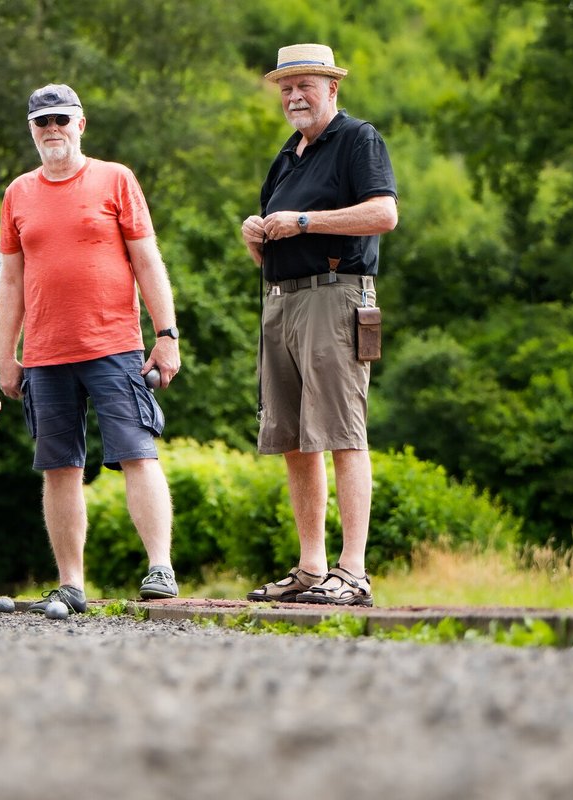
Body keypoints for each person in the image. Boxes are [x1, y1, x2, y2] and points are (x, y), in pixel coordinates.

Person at [0, 84, 181, 614]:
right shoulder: (18, 193)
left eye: (60, 118)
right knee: (59, 466)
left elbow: (148, 261)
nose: (51, 128)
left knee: (137, 453)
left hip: (114, 345)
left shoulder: (116, 179)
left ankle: (160, 568)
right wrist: (5, 356)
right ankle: (71, 583)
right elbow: (11, 282)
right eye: (41, 121)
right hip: (46, 353)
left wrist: (166, 334)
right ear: (32, 129)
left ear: (81, 123)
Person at [240, 44, 398, 607]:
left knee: (341, 432)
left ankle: (352, 571)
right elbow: (276, 247)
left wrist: (304, 220)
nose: (294, 96)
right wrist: (257, 236)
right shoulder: (287, 156)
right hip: (281, 300)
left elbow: (384, 213)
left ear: (332, 88)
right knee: (293, 438)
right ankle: (312, 568)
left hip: (336, 296)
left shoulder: (358, 139)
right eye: (286, 88)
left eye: (305, 84)